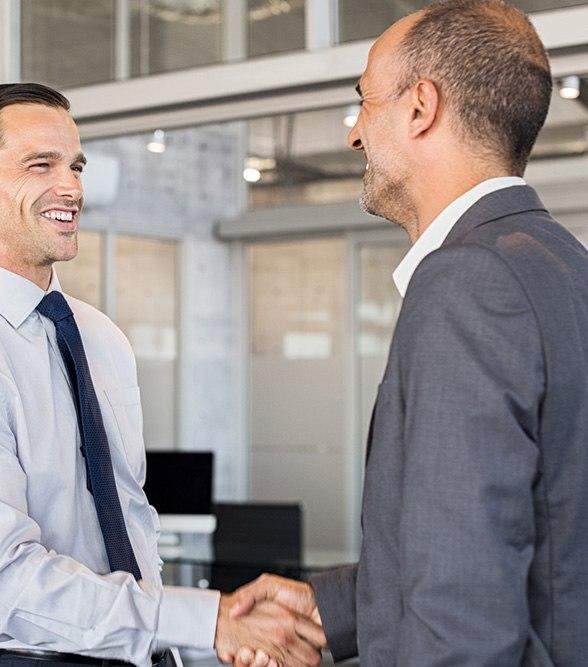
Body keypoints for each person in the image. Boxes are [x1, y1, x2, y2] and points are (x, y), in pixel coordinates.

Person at [0, 83, 326, 667]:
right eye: (40, 164)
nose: (70, 186)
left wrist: (204, 640)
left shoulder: (100, 339)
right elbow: (3, 589)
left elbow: (133, 526)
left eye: (75, 166)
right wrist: (203, 619)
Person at [228, 0, 588, 664]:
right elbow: (534, 541)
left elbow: (465, 617)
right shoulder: (562, 264)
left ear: (421, 107)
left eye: (364, 103)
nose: (354, 134)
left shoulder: (467, 282)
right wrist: (334, 606)